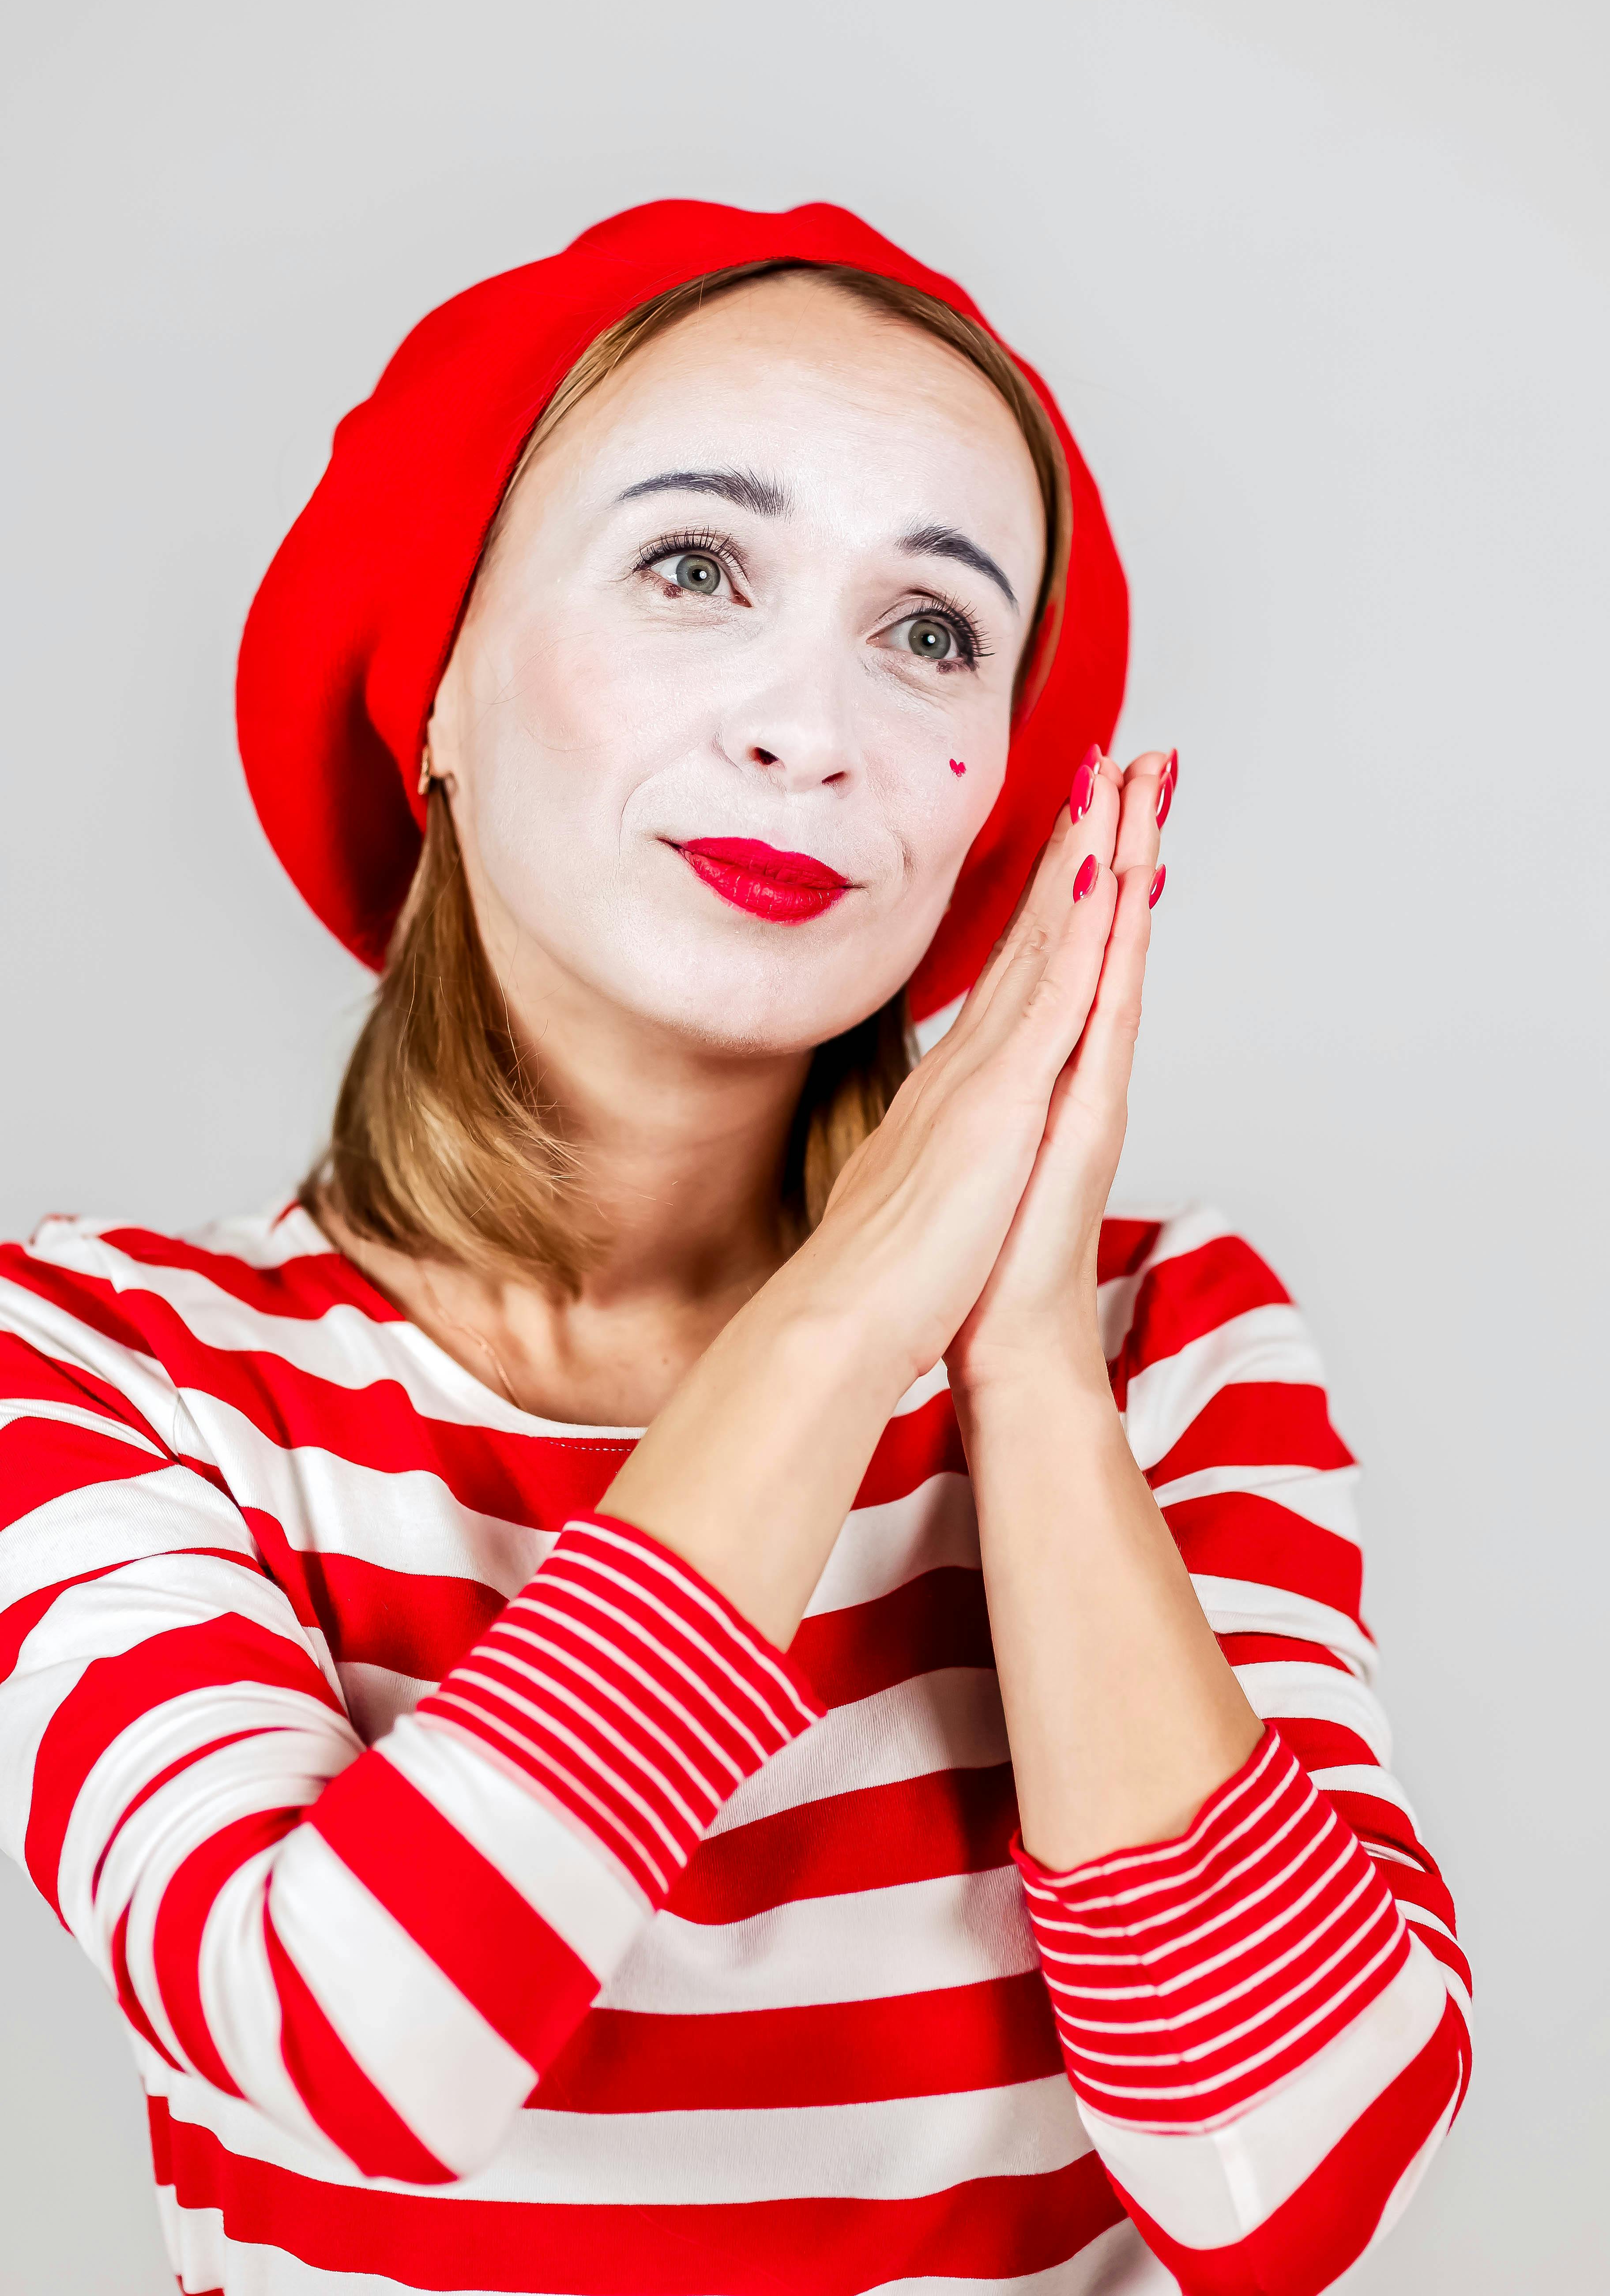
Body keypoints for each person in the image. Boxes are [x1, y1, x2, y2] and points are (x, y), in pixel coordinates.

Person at [0, 201, 1468, 2296]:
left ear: (990, 808)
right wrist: (857, 1303)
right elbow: (348, 2050)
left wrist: (1028, 1376)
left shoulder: (1160, 1346)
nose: (814, 728)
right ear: (430, 682)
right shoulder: (108, 1364)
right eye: (696, 569)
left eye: (933, 631)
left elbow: (1291, 2186)